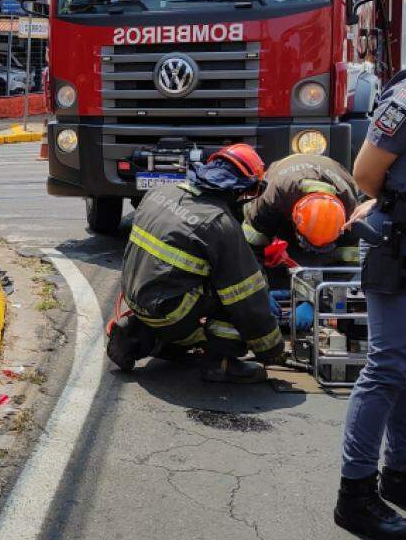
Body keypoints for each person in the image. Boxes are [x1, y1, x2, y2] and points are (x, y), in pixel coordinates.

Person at [334, 69, 406, 540]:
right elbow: (367, 172)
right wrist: (388, 202)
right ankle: (356, 496)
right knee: (389, 367)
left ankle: (403, 474)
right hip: (400, 245)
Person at [107, 144, 287, 383]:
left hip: (136, 297)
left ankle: (139, 336)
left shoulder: (163, 192)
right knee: (235, 297)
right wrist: (272, 350)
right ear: (241, 189)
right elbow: (247, 299)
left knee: (192, 278)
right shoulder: (219, 223)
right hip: (171, 312)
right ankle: (220, 362)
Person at [243, 153, 362, 268]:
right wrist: (258, 267)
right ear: (295, 217)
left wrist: (340, 280)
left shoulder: (350, 207)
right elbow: (254, 235)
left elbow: (350, 249)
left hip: (331, 168)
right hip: (285, 170)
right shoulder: (273, 196)